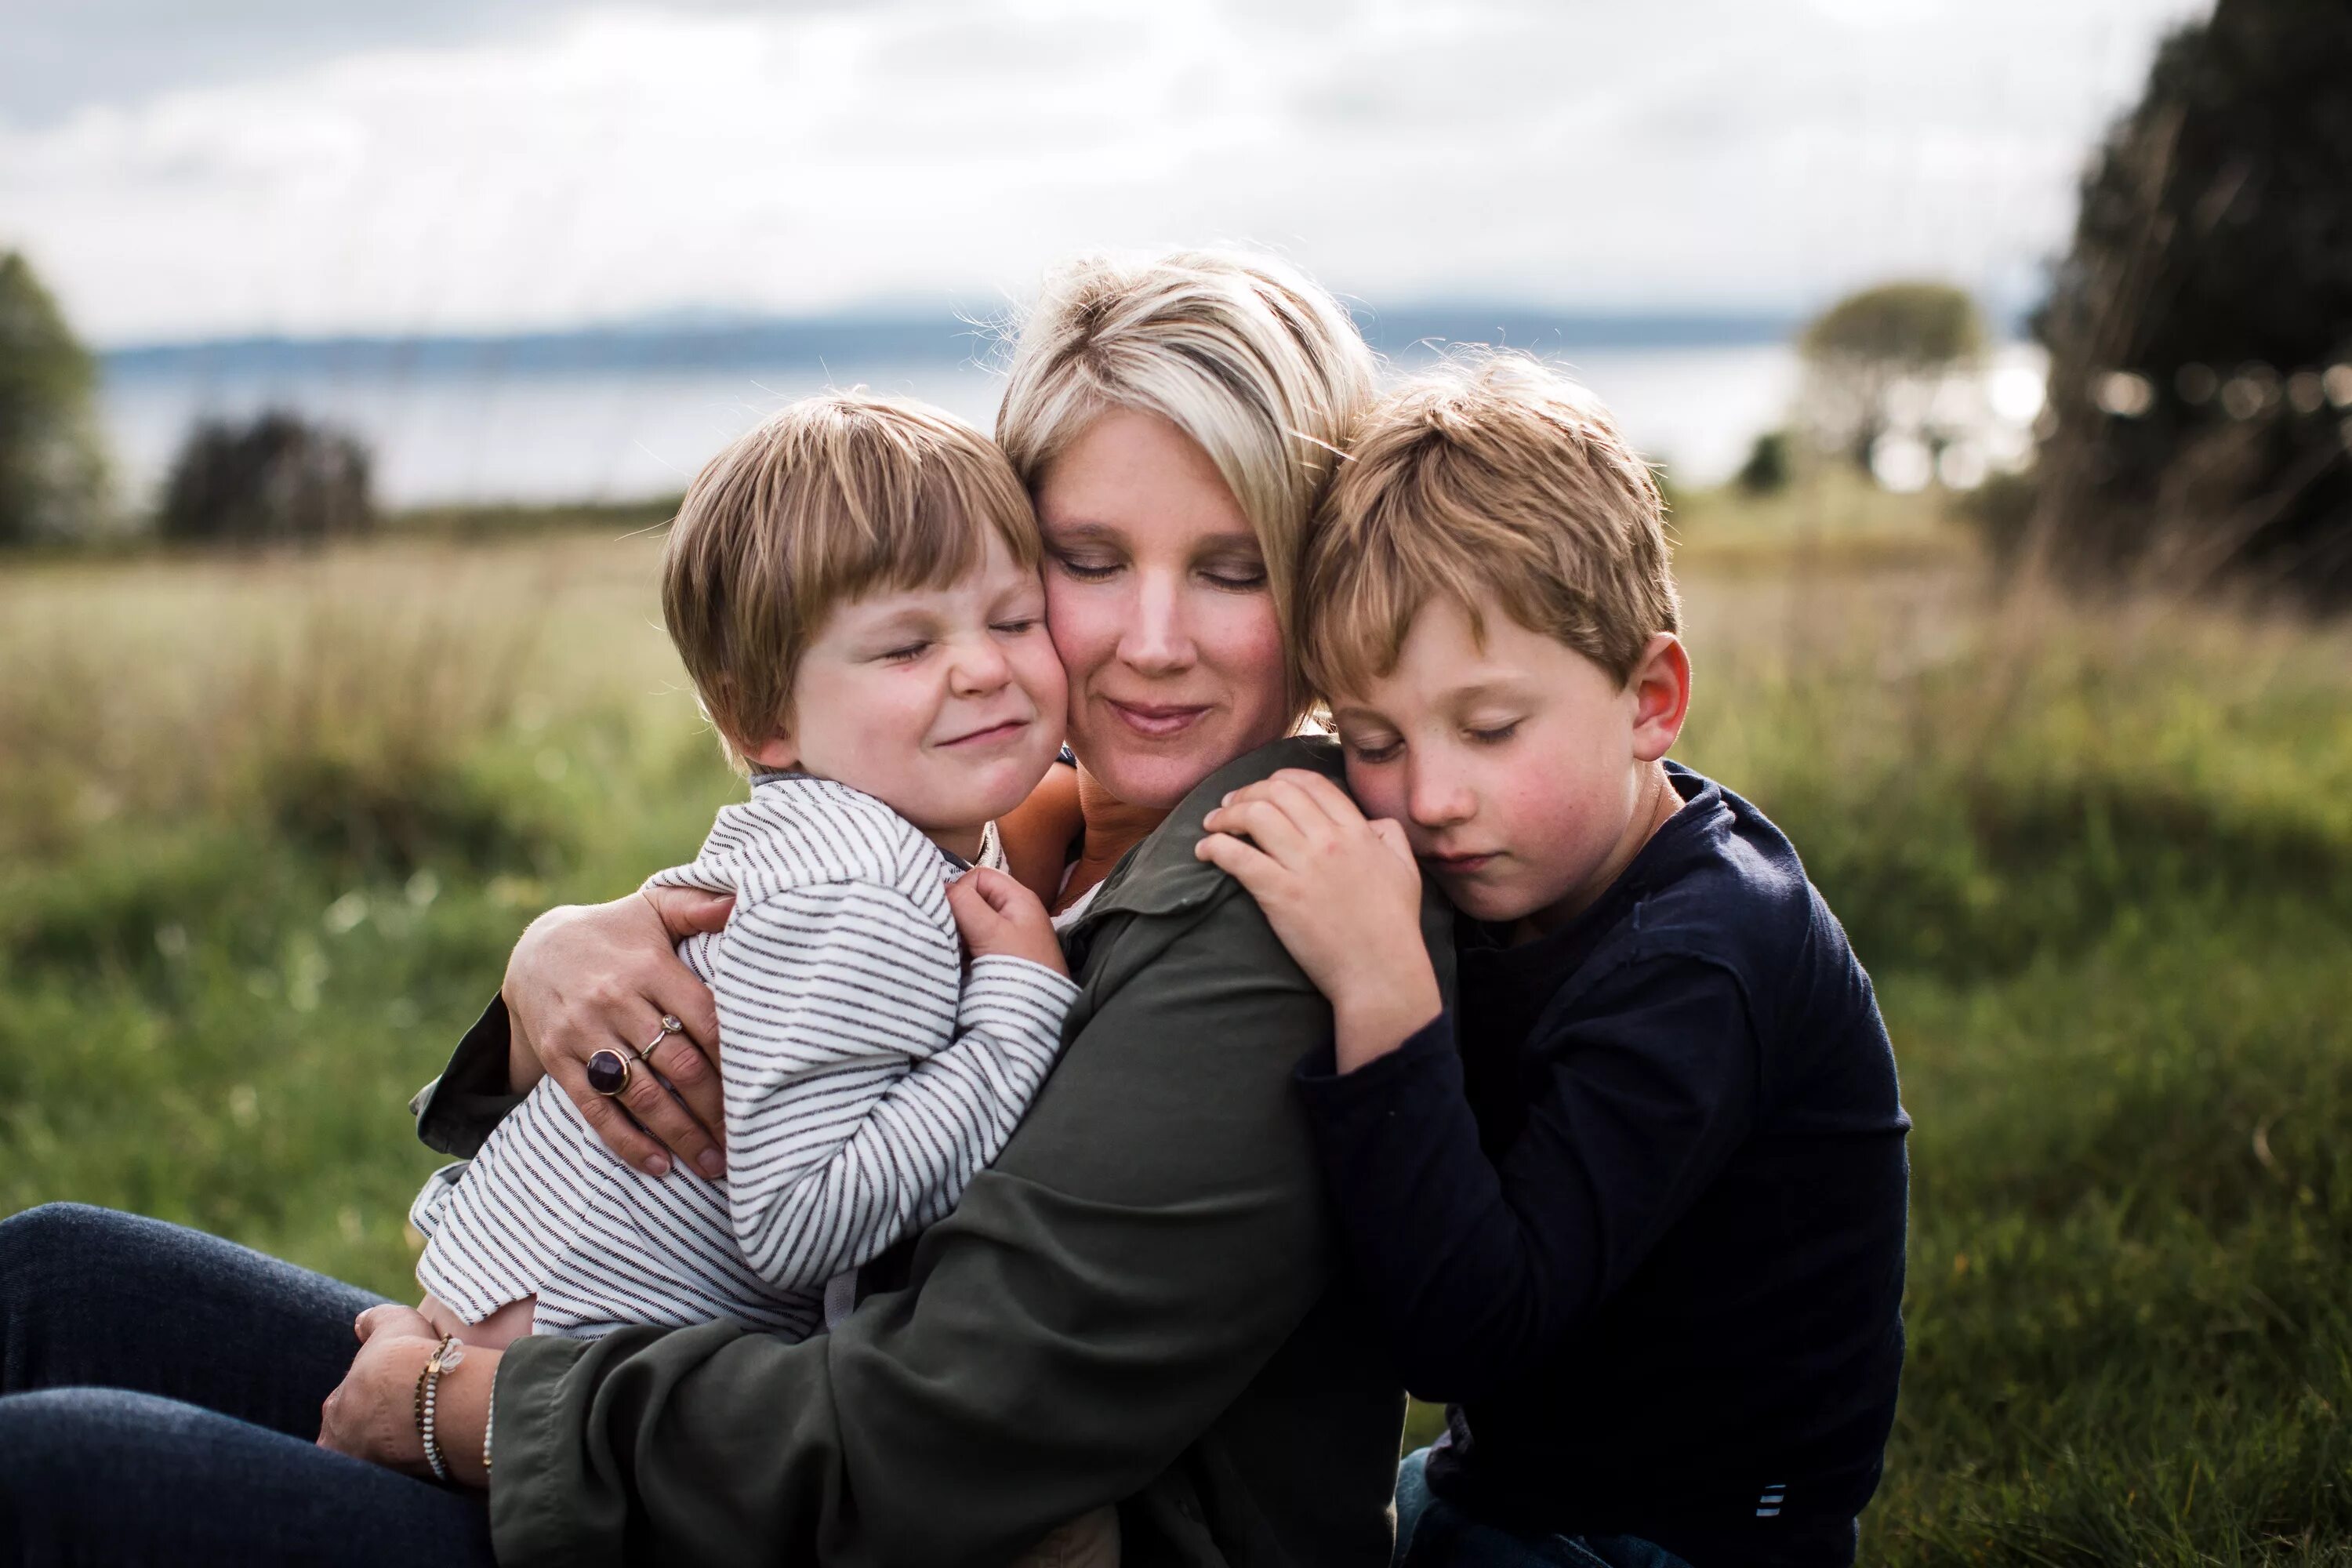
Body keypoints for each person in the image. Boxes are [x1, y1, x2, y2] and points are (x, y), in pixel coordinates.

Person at [0, 249, 1450, 1567]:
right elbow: (734, 1087)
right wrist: (556, 971)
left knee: (57, 1481)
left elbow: (963, 1421)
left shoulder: (1276, 913)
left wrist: (480, 1416)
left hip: (897, 1529)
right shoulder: (991, 829)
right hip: (702, 1433)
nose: (1149, 640)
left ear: (1319, 583)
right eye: (1085, 561)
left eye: (1232, 569)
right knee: (58, 1276)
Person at [1197, 354, 1910, 1568]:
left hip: (1678, 1534)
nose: (1428, 796)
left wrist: (1383, 986)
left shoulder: (1706, 955)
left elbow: (1468, 1335)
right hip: (1508, 1479)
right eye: (1371, 741)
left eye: (1489, 729)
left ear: (1649, 697)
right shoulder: (1513, 858)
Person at [412, 390, 1078, 1358]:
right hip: (549, 1369)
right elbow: (798, 1221)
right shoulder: (866, 891)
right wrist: (1019, 1008)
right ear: (761, 717)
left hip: (524, 1320)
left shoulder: (861, 832)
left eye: (1016, 620)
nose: (983, 667)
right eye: (907, 644)